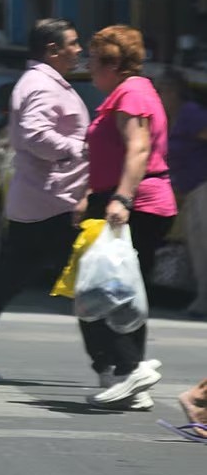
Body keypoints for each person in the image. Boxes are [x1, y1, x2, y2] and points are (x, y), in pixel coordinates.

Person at [0, 20, 95, 381]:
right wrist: (79, 148)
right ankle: (115, 366)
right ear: (52, 50)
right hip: (51, 201)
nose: (79, 50)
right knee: (87, 282)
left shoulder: (45, 82)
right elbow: (36, 135)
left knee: (12, 279)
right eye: (73, 44)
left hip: (45, 200)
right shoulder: (41, 84)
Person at [79, 25, 173, 408]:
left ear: (112, 63)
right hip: (126, 199)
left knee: (101, 292)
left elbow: (138, 149)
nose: (88, 67)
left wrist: (121, 198)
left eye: (93, 59)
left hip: (135, 203)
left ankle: (129, 367)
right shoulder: (131, 91)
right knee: (121, 291)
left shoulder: (131, 93)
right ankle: (129, 377)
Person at [158, 70, 207, 317]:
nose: (158, 96)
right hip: (189, 191)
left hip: (203, 188)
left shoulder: (190, 114)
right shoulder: (168, 119)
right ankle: (202, 300)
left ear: (174, 92)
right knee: (197, 248)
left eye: (162, 91)